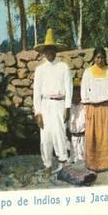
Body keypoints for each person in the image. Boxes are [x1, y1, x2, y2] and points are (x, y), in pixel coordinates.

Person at [32, 29, 72, 177]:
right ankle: (47, 165)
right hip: (45, 104)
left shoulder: (63, 67)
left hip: (59, 104)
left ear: (56, 51)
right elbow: (36, 93)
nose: (50, 52)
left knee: (60, 134)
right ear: (44, 52)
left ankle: (63, 164)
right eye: (47, 50)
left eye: (52, 49)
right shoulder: (40, 70)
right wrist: (38, 113)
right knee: (45, 136)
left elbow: (69, 88)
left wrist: (67, 107)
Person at [81, 47, 108, 171]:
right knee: (93, 136)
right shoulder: (88, 72)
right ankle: (93, 163)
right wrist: (86, 106)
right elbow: (84, 89)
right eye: (97, 57)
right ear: (94, 58)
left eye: (102, 57)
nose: (100, 60)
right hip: (93, 107)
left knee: (107, 136)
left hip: (106, 107)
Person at [69, 77, 86, 163]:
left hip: (83, 137)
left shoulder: (84, 107)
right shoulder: (69, 107)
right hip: (73, 137)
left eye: (78, 94)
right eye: (73, 95)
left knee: (83, 158)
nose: (76, 97)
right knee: (74, 158)